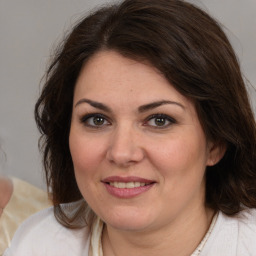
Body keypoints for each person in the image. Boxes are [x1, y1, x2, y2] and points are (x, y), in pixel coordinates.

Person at [4, 0, 256, 255]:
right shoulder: (36, 243)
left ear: (216, 142)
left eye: (159, 120)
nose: (121, 153)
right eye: (97, 120)